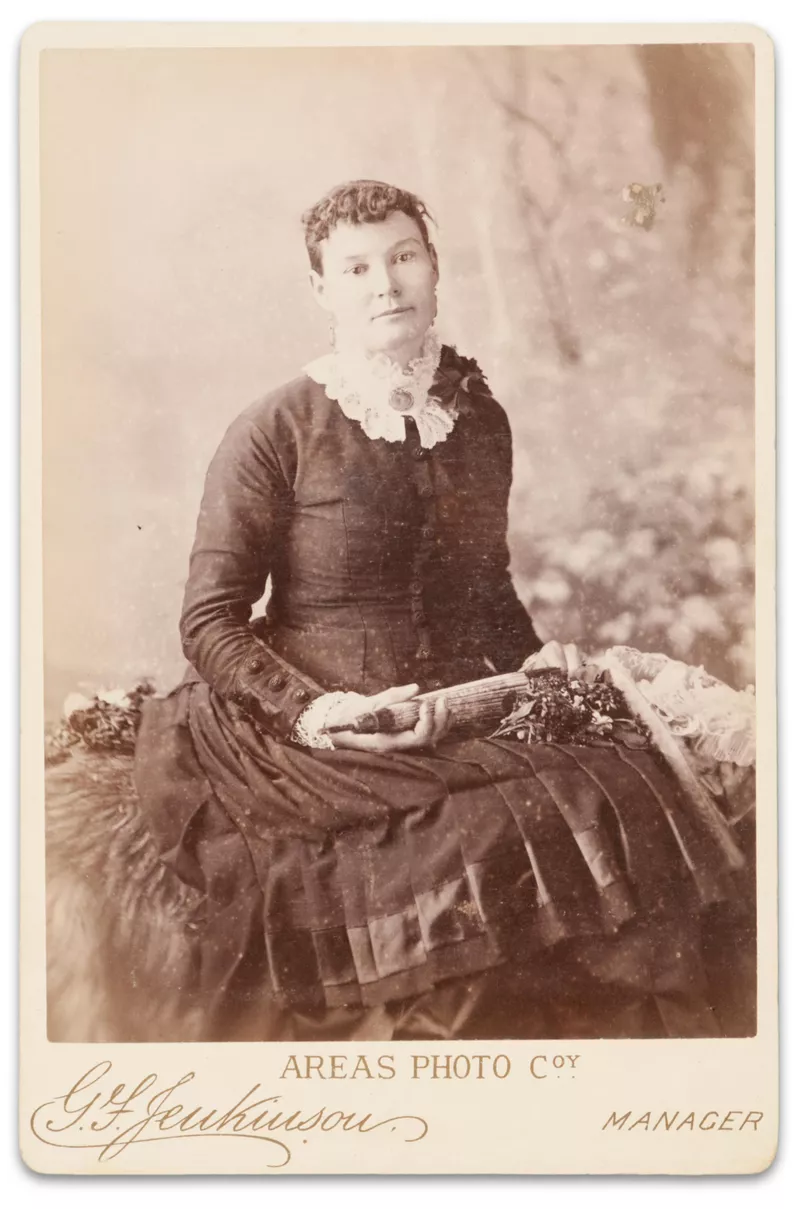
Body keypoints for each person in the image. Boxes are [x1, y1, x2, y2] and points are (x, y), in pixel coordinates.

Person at [134, 179, 740, 1042]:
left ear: (433, 267)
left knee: (622, 786)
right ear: (322, 289)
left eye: (403, 257)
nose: (385, 284)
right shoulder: (275, 428)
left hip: (453, 703)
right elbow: (210, 619)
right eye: (356, 268)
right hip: (315, 724)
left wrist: (532, 667)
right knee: (493, 828)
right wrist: (317, 712)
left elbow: (485, 587)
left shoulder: (478, 417)